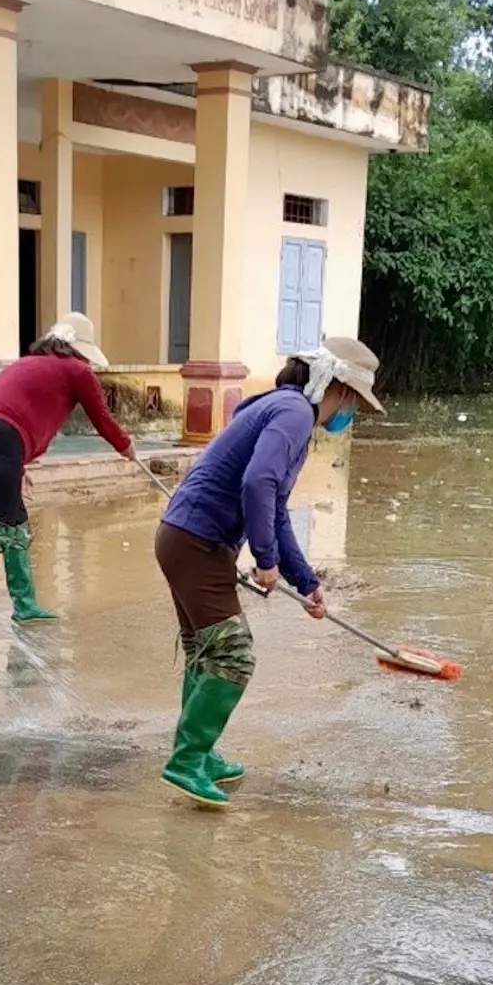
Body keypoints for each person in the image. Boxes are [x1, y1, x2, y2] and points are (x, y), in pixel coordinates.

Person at [154, 337, 385, 807]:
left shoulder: (283, 410)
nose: (352, 414)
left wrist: (307, 581)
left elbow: (275, 508)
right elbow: (256, 481)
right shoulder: (295, 413)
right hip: (197, 542)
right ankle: (186, 760)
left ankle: (199, 754)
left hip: (186, 538)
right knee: (234, 654)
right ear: (337, 387)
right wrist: (264, 560)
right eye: (354, 402)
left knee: (206, 650)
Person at [0, 312, 136, 621]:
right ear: (80, 349)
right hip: (2, 438)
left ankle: (25, 605)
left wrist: (18, 466)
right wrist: (126, 446)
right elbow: (101, 418)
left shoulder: (30, 363)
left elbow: (12, 410)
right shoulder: (77, 371)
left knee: (14, 523)